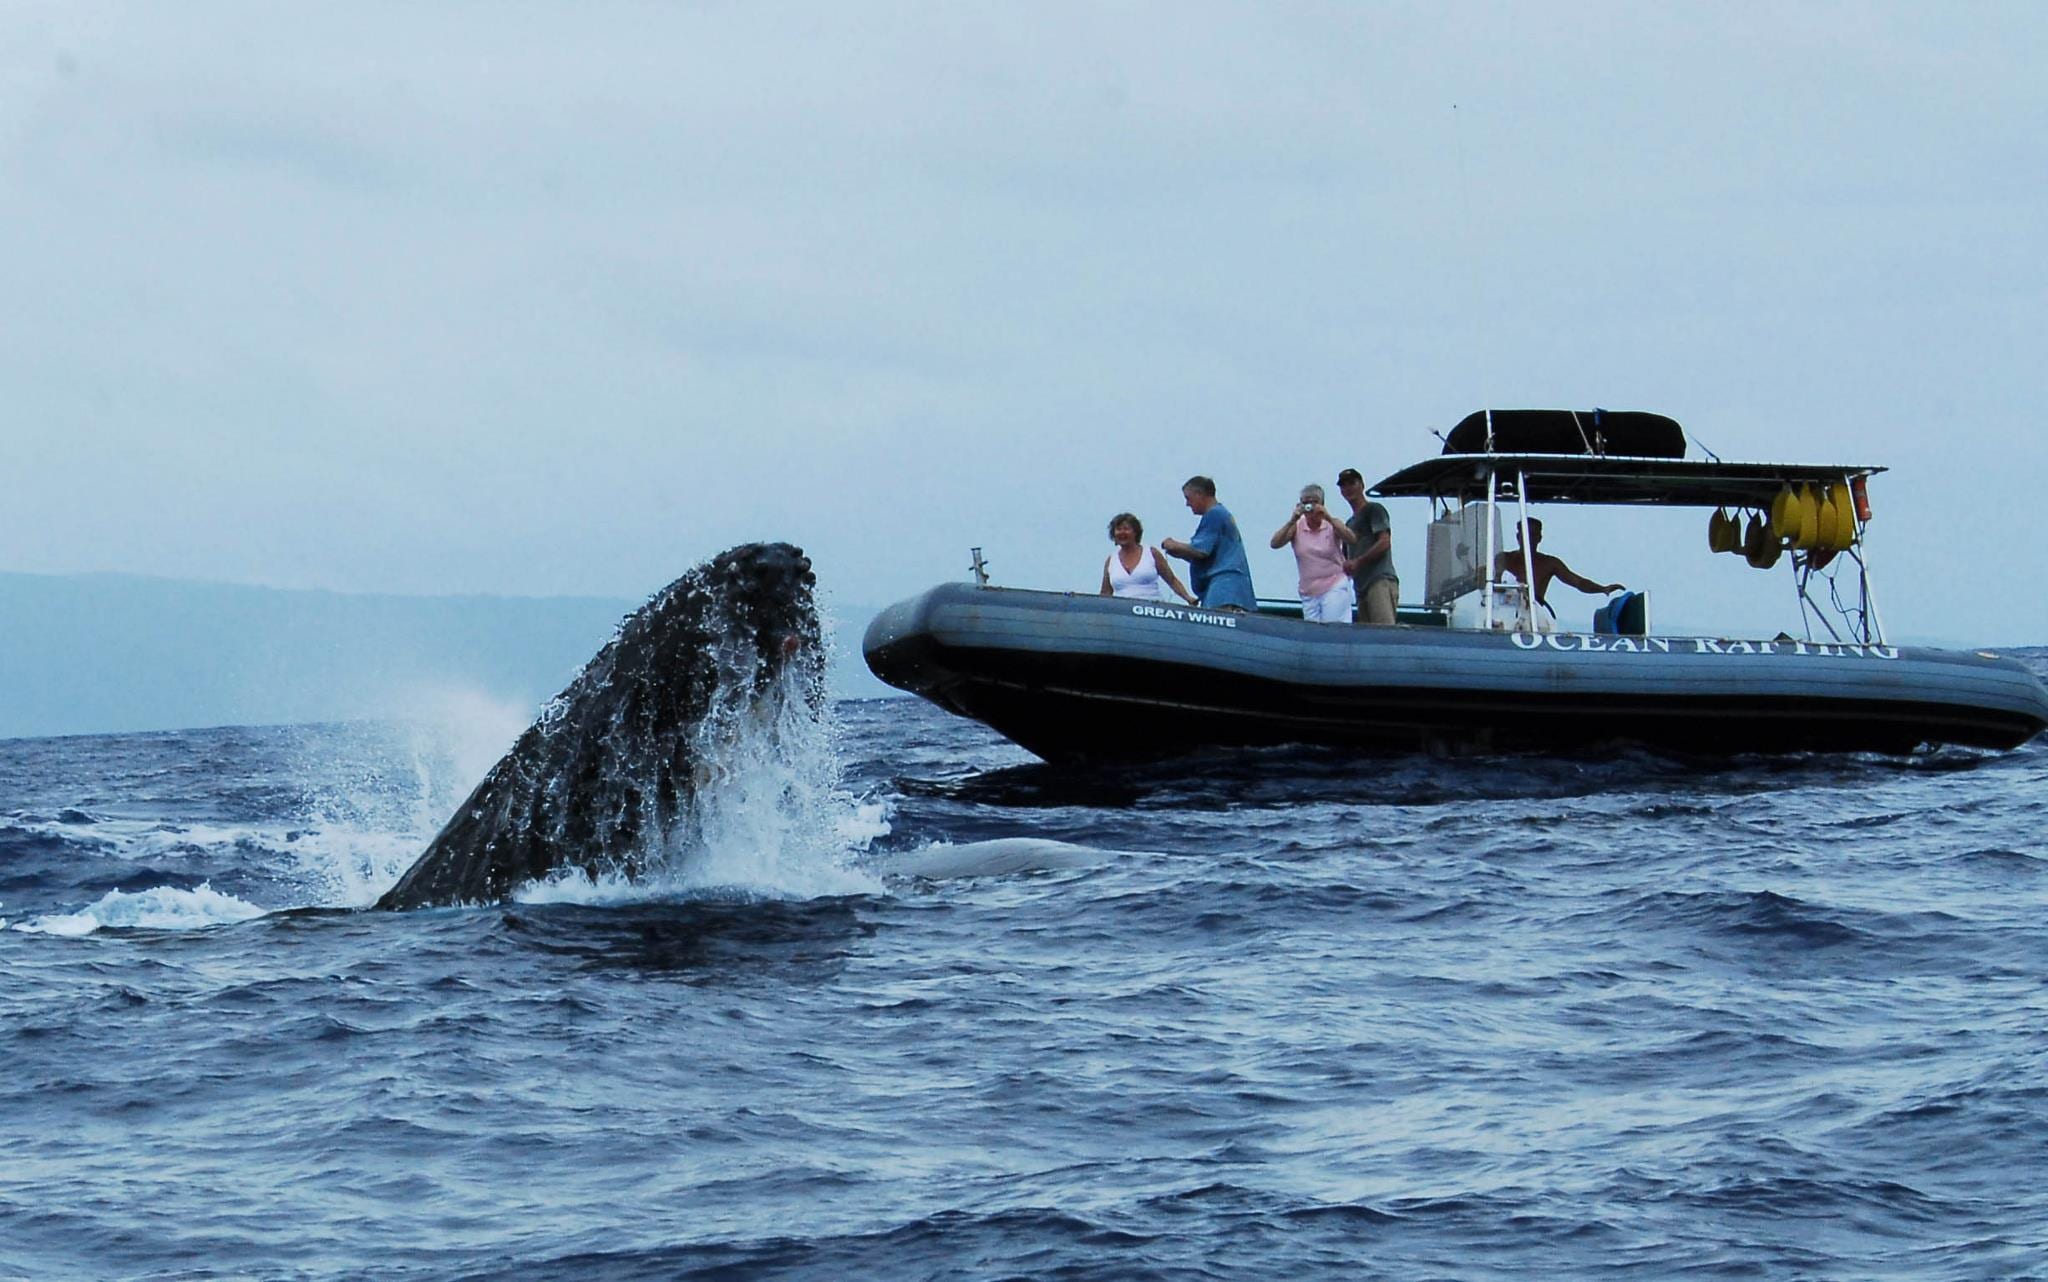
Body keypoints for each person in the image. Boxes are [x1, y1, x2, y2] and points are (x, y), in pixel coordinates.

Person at [1161, 476, 1256, 610]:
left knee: (1219, 627)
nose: (1187, 504)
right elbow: (1209, 556)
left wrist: (1173, 544)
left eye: (1188, 498)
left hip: (1224, 589)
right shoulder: (1222, 514)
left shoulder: (1214, 515)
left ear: (1199, 494)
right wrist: (1181, 553)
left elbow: (1201, 551)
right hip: (1228, 588)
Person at [1494, 517, 1623, 615]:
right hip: (1503, 613)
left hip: (1534, 614)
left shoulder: (1550, 563)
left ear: (1539, 538)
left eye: (1533, 535)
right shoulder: (1503, 558)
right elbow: (1489, 583)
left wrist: (1602, 589)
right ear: (1518, 536)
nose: (1529, 538)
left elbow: (1578, 582)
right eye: (1525, 534)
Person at [1269, 484, 1358, 624]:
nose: (1309, 507)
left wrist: (1327, 517)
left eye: (1314, 502)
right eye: (1306, 503)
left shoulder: (1331, 524)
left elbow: (1351, 538)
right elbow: (1274, 544)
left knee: (1332, 626)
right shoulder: (1297, 527)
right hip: (1309, 591)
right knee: (1312, 630)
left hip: (1334, 585)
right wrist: (1292, 520)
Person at [1336, 467, 1399, 625]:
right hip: (1360, 587)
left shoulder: (1374, 509)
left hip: (1379, 580)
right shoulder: (1349, 524)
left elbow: (1384, 542)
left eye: (1352, 483)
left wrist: (1359, 562)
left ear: (1362, 485)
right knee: (1368, 636)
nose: (1348, 488)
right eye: (1344, 485)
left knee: (1384, 632)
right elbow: (1344, 559)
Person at [1100, 512, 1198, 605]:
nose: (1122, 532)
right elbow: (1106, 592)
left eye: (1126, 529)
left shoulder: (1151, 553)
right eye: (1118, 529)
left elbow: (1171, 580)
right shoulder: (1111, 560)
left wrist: (1188, 598)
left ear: (1135, 532)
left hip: (1151, 610)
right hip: (1124, 613)